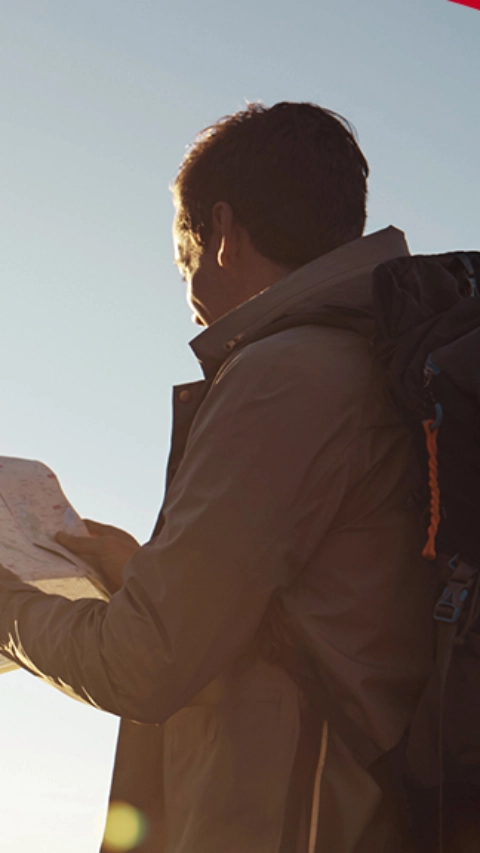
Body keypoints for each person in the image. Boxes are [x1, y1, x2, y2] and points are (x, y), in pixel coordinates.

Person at [0, 102, 437, 853]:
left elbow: (144, 666)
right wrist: (137, 570)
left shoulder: (284, 376)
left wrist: (10, 611)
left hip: (289, 822)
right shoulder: (361, 361)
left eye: (184, 259)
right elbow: (314, 611)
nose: (190, 291)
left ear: (224, 233)